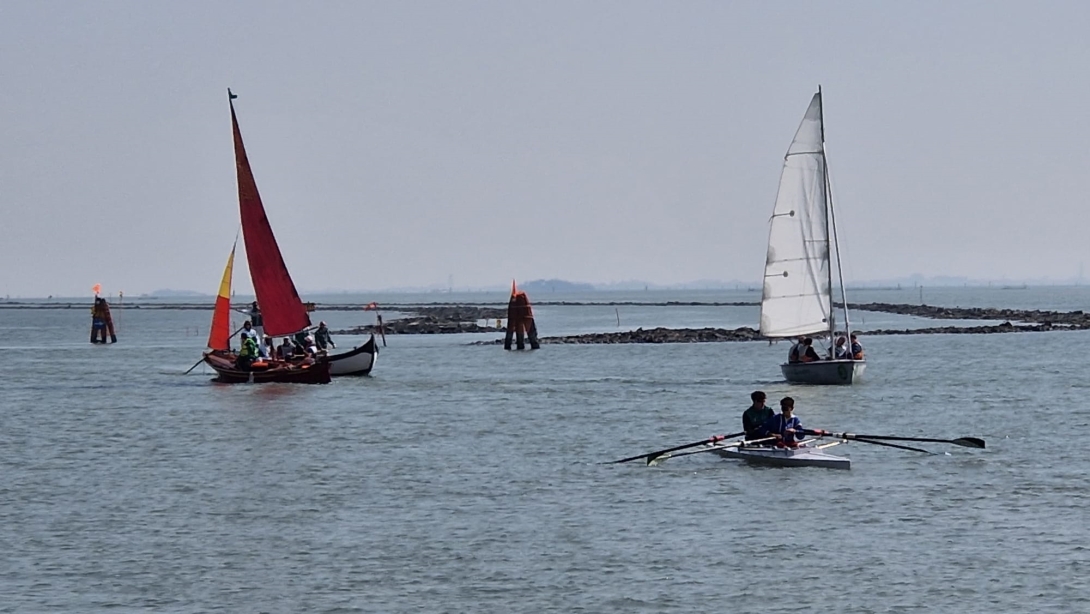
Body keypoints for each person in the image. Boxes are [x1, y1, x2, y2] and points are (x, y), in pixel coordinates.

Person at [760, 397, 826, 448]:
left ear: (791, 408)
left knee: (798, 445)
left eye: (786, 409)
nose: (784, 411)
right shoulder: (775, 418)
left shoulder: (795, 420)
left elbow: (800, 437)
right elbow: (762, 429)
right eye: (783, 409)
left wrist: (795, 431)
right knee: (781, 445)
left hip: (790, 443)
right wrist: (772, 434)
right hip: (777, 443)